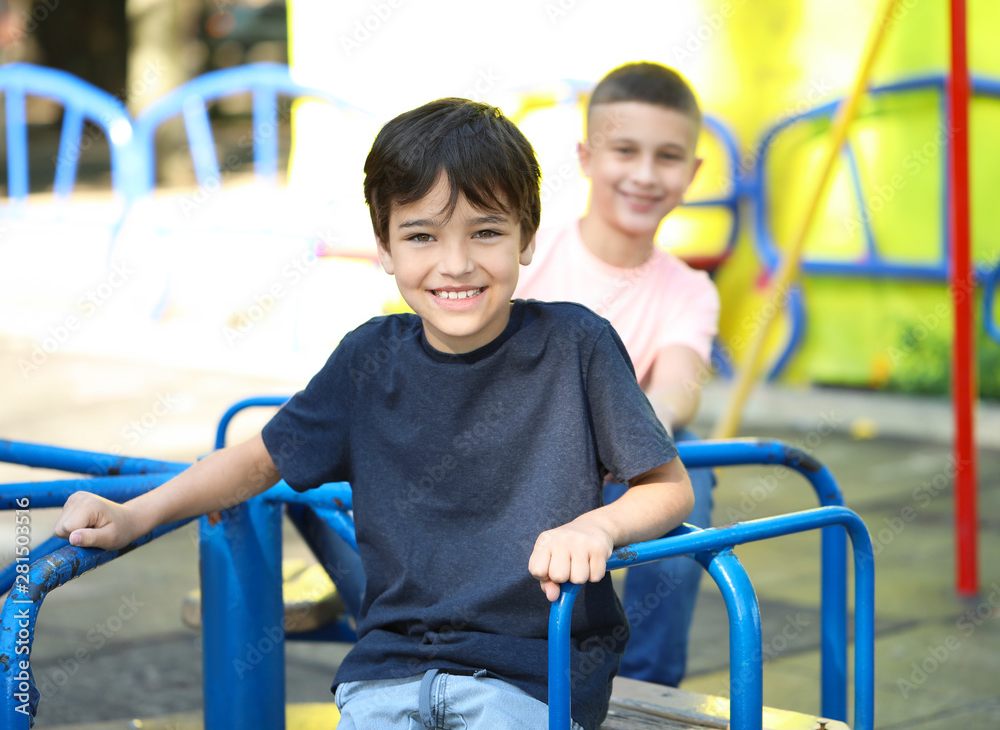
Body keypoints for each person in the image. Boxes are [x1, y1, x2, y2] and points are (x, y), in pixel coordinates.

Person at [54, 97, 694, 730]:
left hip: (533, 674)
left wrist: (597, 529)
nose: (456, 263)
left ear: (527, 237)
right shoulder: (367, 360)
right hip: (387, 674)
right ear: (385, 248)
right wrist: (134, 515)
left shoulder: (576, 345)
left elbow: (669, 488)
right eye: (421, 236)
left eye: (487, 231)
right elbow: (256, 460)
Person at [516, 62, 721, 688]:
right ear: (585, 155)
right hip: (511, 457)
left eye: (666, 157)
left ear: (691, 174)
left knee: (695, 476)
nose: (643, 174)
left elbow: (676, 387)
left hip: (612, 466)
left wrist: (624, 441)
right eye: (624, 150)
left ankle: (646, 690)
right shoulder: (529, 251)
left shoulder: (688, 290)